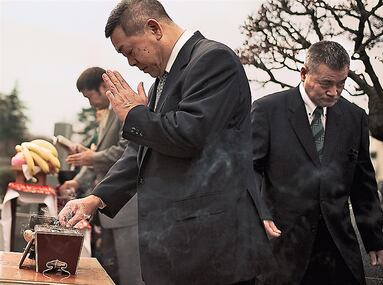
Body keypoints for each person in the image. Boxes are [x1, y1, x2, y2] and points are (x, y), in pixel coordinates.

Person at [58, 1, 273, 285]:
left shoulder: (213, 60)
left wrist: (135, 115)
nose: (131, 62)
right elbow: (142, 151)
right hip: (177, 247)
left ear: (154, 28)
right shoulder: (161, 81)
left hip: (211, 250)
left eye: (129, 51)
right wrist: (96, 198)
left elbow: (191, 134)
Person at [251, 41, 383, 285]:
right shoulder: (267, 110)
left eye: (342, 84)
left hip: (338, 249)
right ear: (304, 73)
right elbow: (249, 169)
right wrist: (259, 213)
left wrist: (374, 237)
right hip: (284, 247)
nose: (334, 92)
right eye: (326, 84)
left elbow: (363, 183)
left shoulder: (355, 118)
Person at [59, 67, 143, 285]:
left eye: (90, 96)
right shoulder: (104, 117)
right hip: (105, 207)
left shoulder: (124, 111)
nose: (90, 103)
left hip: (125, 204)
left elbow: (128, 151)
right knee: (109, 269)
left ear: (104, 87)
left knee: (131, 271)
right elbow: (95, 155)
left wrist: (92, 157)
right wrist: (78, 178)